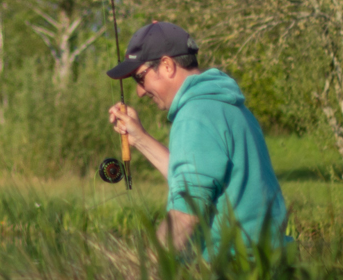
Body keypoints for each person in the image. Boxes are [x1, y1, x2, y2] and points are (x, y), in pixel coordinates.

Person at [107, 21, 287, 256]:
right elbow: (198, 180)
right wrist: (139, 138)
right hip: (268, 267)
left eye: (140, 78)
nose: (140, 92)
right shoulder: (225, 105)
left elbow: (185, 216)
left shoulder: (195, 116)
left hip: (235, 276)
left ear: (167, 65)